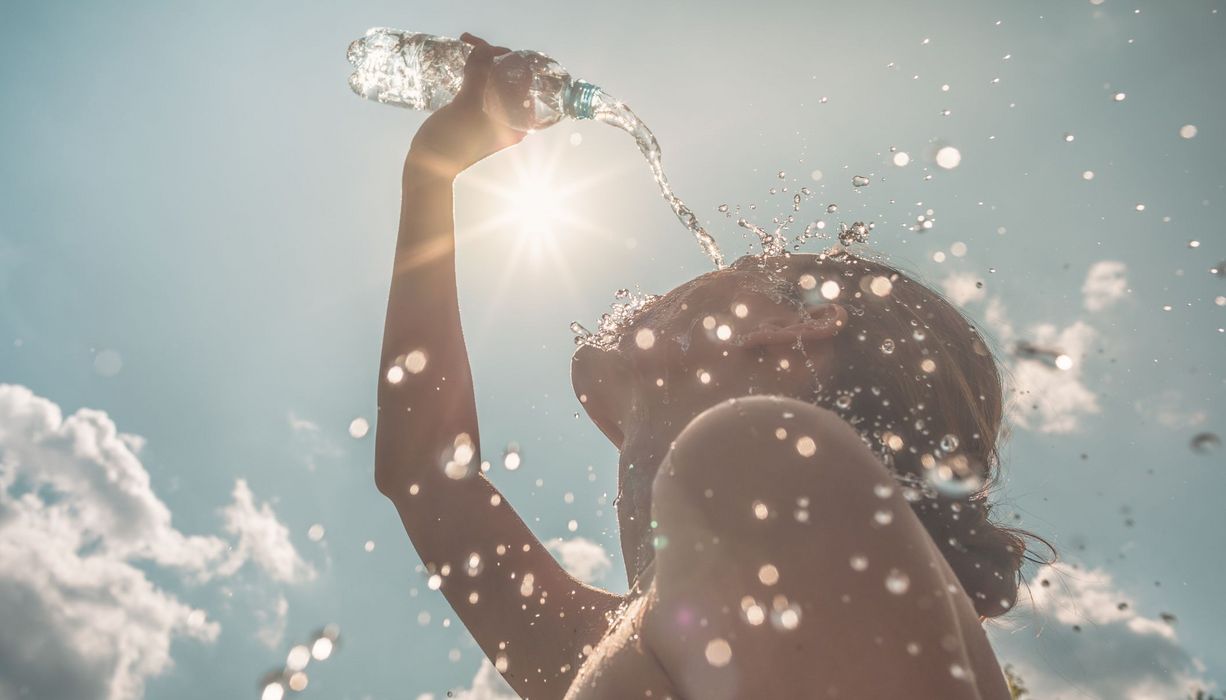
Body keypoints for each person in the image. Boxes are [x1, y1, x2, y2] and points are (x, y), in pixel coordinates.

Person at [374, 32, 1044, 700]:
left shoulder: (757, 453)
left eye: (748, 266)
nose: (685, 284)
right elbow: (425, 472)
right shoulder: (620, 642)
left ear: (793, 328)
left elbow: (427, 474)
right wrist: (433, 171)